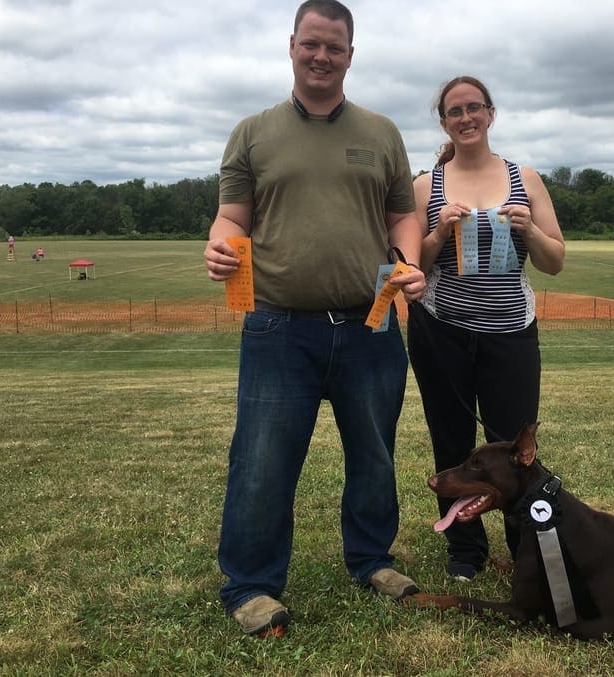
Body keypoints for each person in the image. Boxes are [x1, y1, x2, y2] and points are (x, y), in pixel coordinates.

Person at [203, 0, 426, 637]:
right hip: (277, 327)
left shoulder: (382, 132)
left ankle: (373, 560)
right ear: (292, 45)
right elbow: (233, 217)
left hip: (371, 324)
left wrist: (408, 259)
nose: (321, 56)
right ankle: (251, 584)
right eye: (311, 44)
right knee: (262, 459)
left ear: (351, 54)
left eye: (335, 46)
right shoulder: (252, 132)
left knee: (376, 455)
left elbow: (401, 216)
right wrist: (218, 242)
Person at [406, 76, 566, 582]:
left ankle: (525, 548)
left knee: (515, 446)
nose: (466, 117)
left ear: (491, 114)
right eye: (455, 111)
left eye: (475, 108)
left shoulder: (526, 178)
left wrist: (530, 229)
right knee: (451, 439)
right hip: (441, 329)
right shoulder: (426, 184)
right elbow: (410, 263)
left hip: (511, 330)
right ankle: (465, 550)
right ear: (444, 121)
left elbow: (555, 260)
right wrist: (436, 231)